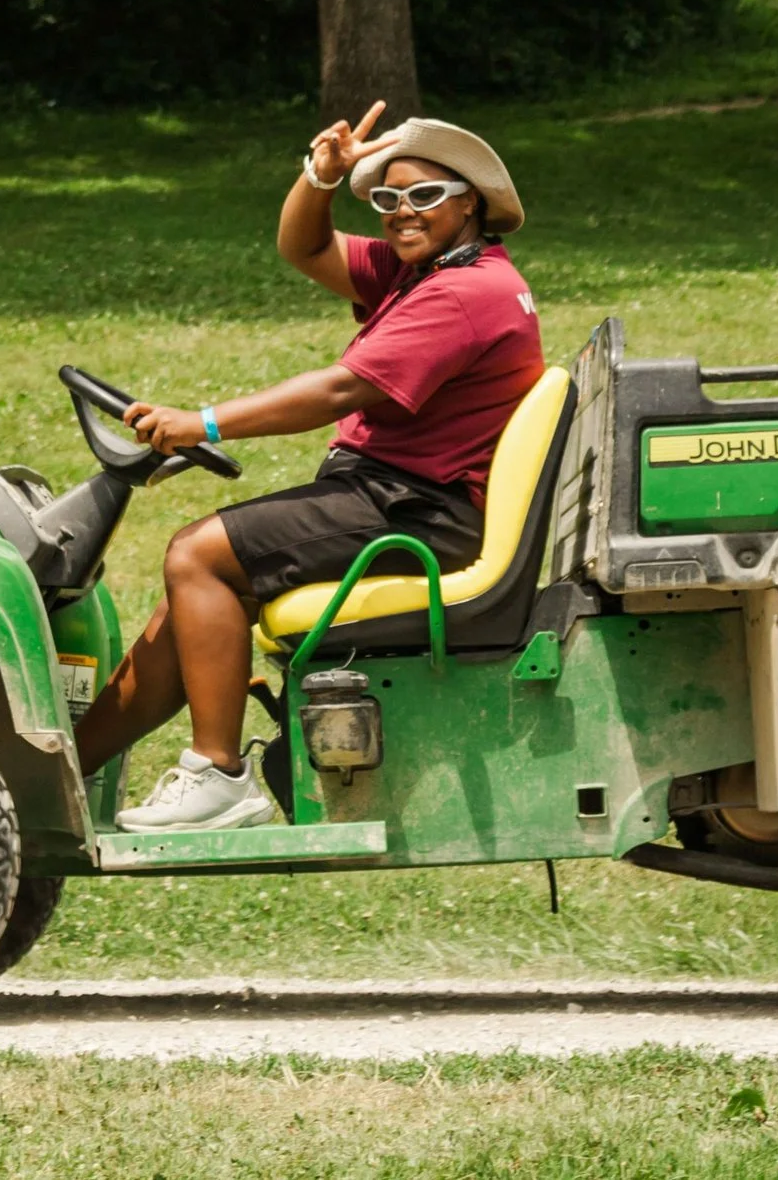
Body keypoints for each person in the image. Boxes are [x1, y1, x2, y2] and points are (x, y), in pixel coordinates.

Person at [70, 106, 544, 832]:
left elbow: (339, 390)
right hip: (394, 495)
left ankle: (220, 778)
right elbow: (304, 246)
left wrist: (203, 423)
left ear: (470, 201)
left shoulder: (462, 295)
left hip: (418, 511)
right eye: (387, 199)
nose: (401, 213)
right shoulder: (426, 270)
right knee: (192, 596)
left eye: (424, 197)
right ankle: (60, 771)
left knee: (197, 555)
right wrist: (321, 175)